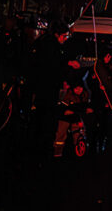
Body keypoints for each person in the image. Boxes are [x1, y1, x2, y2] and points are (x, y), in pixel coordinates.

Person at [28, 21, 80, 153]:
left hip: (42, 85)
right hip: (47, 86)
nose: (65, 39)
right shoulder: (52, 47)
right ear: (57, 35)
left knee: (42, 114)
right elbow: (54, 66)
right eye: (64, 36)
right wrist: (68, 65)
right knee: (46, 115)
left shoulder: (45, 43)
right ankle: (44, 145)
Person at [53, 74, 93, 158]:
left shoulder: (85, 95)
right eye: (76, 88)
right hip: (65, 117)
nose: (78, 90)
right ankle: (58, 151)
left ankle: (79, 148)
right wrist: (66, 111)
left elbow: (85, 106)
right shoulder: (68, 95)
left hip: (76, 117)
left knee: (79, 131)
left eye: (80, 88)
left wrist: (87, 110)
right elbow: (62, 108)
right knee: (61, 132)